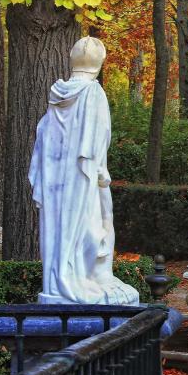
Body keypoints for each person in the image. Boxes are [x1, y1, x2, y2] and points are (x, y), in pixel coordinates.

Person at [29, 36, 139, 305]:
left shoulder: (56, 99)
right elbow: (100, 135)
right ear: (98, 64)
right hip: (85, 178)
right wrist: (100, 169)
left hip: (57, 184)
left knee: (66, 231)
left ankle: (62, 282)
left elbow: (43, 139)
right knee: (98, 226)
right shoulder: (93, 93)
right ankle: (81, 282)